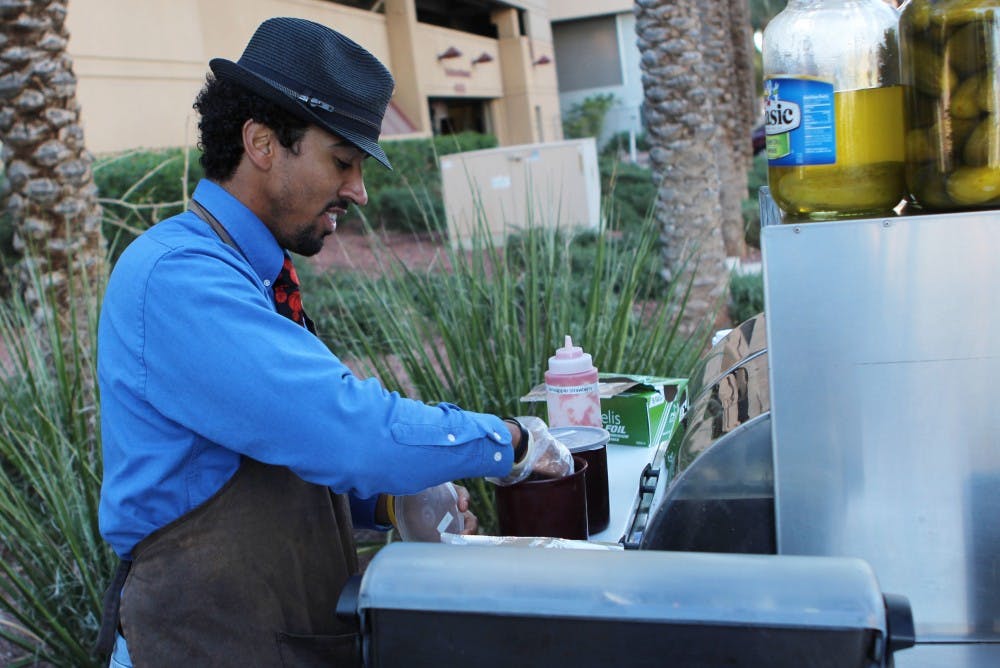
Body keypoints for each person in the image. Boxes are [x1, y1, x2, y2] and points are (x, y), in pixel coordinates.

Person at [95, 16, 563, 667]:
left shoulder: (250, 274)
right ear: (262, 142)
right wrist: (509, 441)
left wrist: (394, 498)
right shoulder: (180, 280)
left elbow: (273, 446)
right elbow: (346, 430)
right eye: (342, 161)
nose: (359, 191)